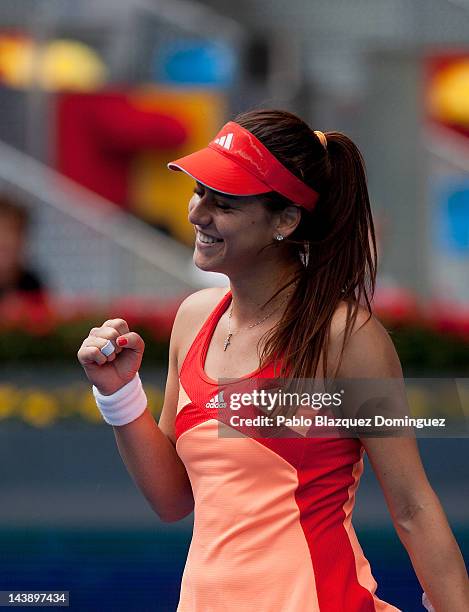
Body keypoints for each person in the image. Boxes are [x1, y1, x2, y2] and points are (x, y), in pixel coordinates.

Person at [77, 109, 469, 611]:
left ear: (285, 221)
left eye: (225, 203)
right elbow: (174, 500)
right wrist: (118, 393)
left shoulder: (346, 337)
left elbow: (412, 505)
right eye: (199, 193)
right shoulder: (194, 319)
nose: (198, 214)